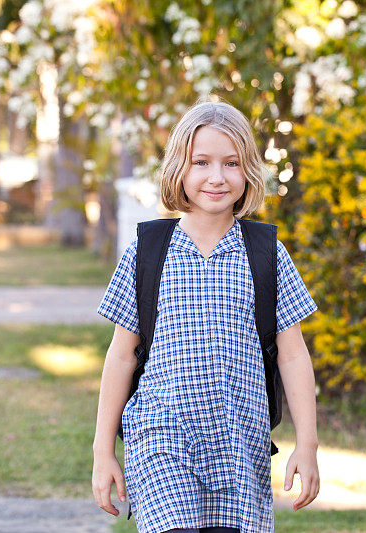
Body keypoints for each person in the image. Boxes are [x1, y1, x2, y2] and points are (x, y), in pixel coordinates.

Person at [91, 98, 321, 533]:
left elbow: (293, 355)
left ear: (248, 171)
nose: (216, 177)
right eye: (201, 162)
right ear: (180, 169)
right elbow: (122, 356)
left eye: (231, 163)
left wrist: (306, 444)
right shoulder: (147, 252)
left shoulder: (266, 254)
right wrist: (104, 451)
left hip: (239, 444)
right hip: (160, 436)